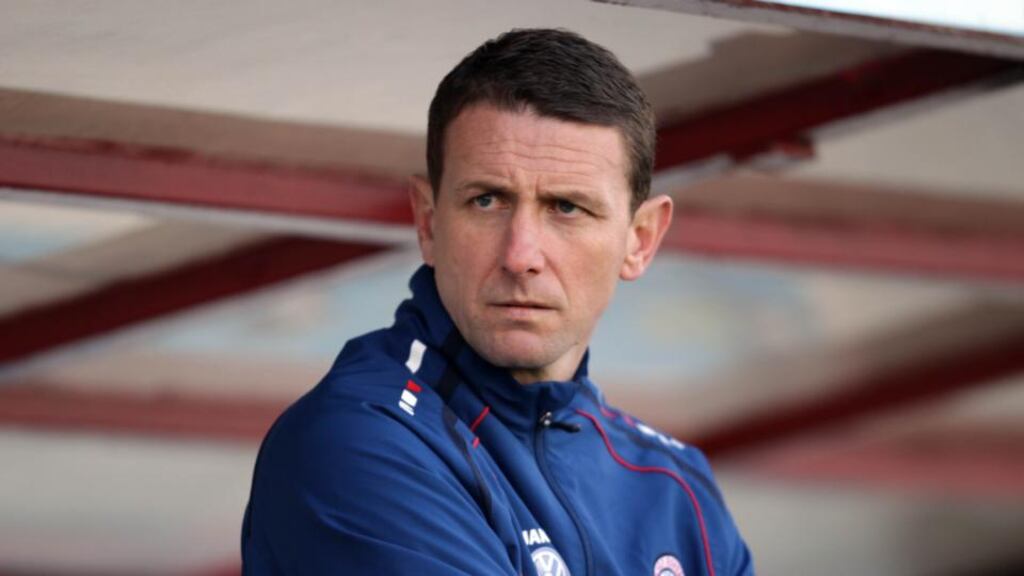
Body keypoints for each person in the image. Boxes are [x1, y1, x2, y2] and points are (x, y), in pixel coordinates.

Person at [241, 28, 753, 576]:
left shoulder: (678, 491)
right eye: (486, 201)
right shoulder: (359, 440)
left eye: (566, 207)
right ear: (428, 221)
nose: (520, 255)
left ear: (641, 239)